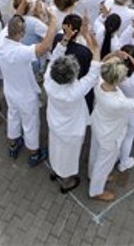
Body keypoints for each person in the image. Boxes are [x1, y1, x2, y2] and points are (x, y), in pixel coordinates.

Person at [44, 17, 101, 193]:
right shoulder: (75, 90)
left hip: (54, 123)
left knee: (55, 149)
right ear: (73, 75)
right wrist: (95, 48)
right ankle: (66, 180)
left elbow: (54, 58)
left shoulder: (48, 81)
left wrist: (65, 40)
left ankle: (55, 171)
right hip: (71, 130)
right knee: (69, 157)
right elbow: (93, 73)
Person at [0, 14, 58, 167]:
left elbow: (15, 17)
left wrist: (23, 4)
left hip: (10, 90)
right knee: (30, 125)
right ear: (21, 33)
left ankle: (13, 145)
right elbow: (44, 46)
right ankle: (34, 154)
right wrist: (53, 22)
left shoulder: (0, 41)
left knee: (13, 117)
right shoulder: (20, 52)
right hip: (25, 96)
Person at [88, 50, 134, 200]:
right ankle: (96, 191)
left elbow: (102, 63)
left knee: (95, 153)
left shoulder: (99, 81)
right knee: (104, 163)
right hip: (110, 135)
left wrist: (113, 54)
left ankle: (92, 174)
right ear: (117, 80)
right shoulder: (118, 102)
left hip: (98, 124)